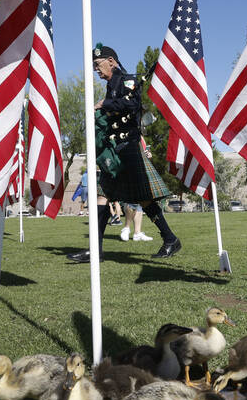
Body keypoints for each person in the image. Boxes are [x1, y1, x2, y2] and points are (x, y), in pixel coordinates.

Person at [67, 44, 180, 262]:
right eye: (94, 67)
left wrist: (104, 104)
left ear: (111, 61)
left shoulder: (127, 80)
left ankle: (170, 238)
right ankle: (96, 249)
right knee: (102, 195)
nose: (96, 70)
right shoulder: (113, 85)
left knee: (144, 198)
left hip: (129, 147)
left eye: (98, 65)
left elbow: (132, 105)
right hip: (115, 150)